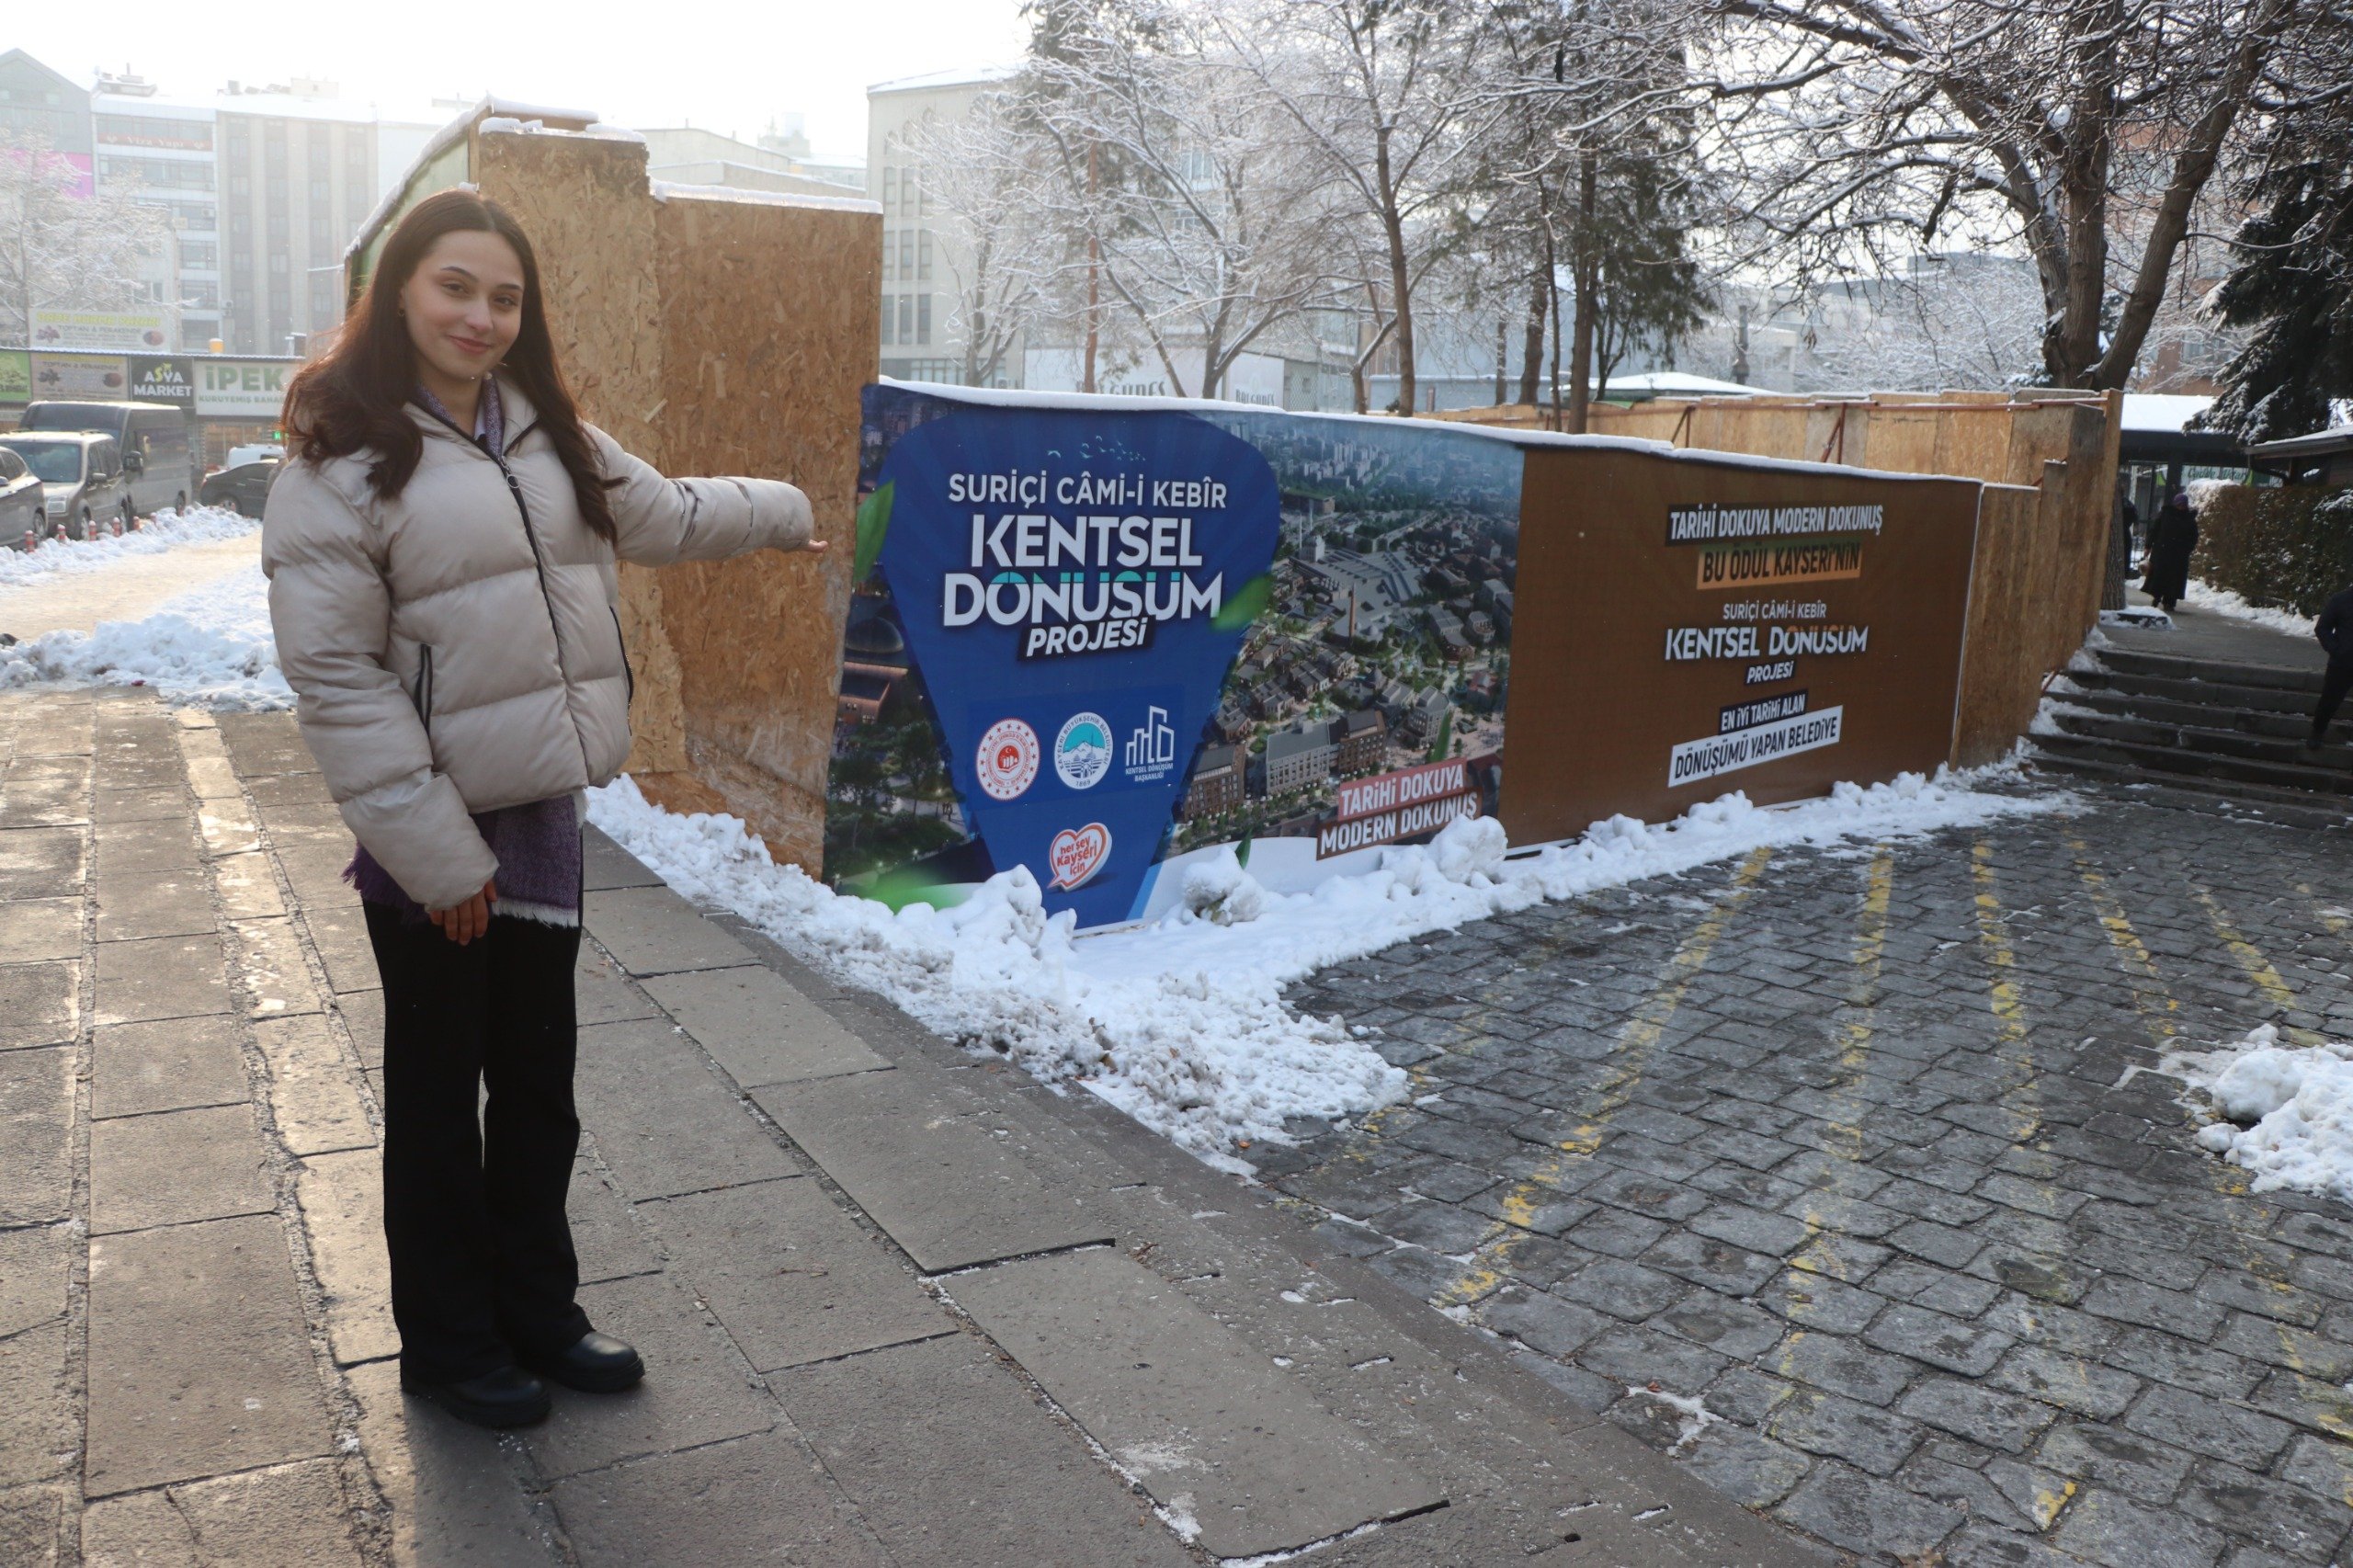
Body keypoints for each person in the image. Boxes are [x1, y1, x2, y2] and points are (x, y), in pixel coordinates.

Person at [263, 189, 825, 1428]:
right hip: (433, 837)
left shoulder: (547, 431)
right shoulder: (341, 459)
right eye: (454, 286)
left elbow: (666, 515)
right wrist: (436, 856)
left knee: (536, 1085)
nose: (479, 315)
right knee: (436, 1099)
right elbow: (339, 681)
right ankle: (453, 1344)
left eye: (504, 296)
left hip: (542, 822)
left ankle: (540, 1309)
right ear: (401, 291)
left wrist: (788, 510)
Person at [2307, 585, 2353, 752]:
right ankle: (2317, 731)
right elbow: (2322, 627)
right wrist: (2336, 650)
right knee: (2329, 701)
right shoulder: (2340, 599)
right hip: (2342, 663)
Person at [2142, 488, 2199, 611]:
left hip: (2179, 555)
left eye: (2183, 504)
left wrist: (2186, 549)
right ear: (2175, 504)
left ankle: (2170, 601)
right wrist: (2148, 545)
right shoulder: (2165, 514)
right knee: (2159, 576)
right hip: (2162, 552)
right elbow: (2154, 530)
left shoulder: (2189, 518)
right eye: (2179, 504)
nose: (2181, 507)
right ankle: (2156, 597)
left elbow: (2194, 537)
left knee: (2174, 579)